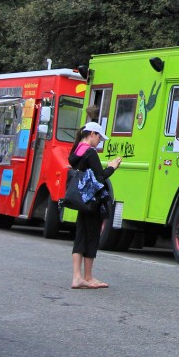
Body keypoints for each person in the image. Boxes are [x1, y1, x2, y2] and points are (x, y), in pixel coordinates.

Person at [69, 121, 121, 289]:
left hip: (80, 199)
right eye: (99, 137)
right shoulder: (90, 152)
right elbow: (100, 177)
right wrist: (112, 167)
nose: (100, 141)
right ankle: (89, 277)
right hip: (92, 200)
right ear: (92, 134)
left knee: (80, 235)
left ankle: (77, 276)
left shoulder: (76, 150)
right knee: (92, 235)